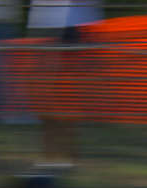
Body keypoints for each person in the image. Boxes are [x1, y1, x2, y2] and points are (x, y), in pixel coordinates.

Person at [28, 2, 102, 164]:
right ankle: (55, 155)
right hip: (52, 24)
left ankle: (63, 155)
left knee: (65, 95)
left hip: (72, 28)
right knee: (50, 95)